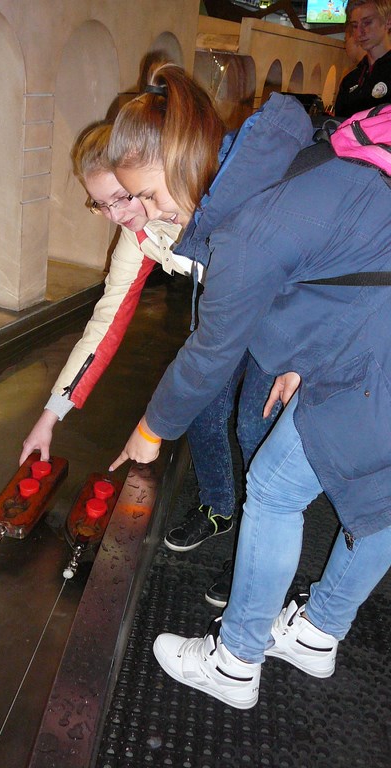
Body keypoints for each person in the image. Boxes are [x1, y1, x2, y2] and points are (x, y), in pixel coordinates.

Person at [107, 62, 391, 709]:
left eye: (147, 193)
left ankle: (235, 662)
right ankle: (318, 633)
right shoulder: (271, 160)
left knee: (274, 488)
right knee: (381, 493)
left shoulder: (247, 230)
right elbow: (343, 253)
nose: (149, 213)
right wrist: (305, 355)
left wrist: (150, 429)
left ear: (183, 157)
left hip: (377, 358)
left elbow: (210, 355)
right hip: (372, 330)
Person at [20, 122, 277, 567]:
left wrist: (294, 361)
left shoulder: (207, 206)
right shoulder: (137, 234)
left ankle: (261, 550)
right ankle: (219, 508)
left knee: (256, 427)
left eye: (122, 197)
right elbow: (105, 324)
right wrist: (50, 415)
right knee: (201, 410)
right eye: (101, 204)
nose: (116, 215)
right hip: (220, 313)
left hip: (275, 312)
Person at [334, 0, 391, 117]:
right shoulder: (350, 80)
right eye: (355, 26)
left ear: (388, 21)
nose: (360, 32)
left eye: (367, 23)